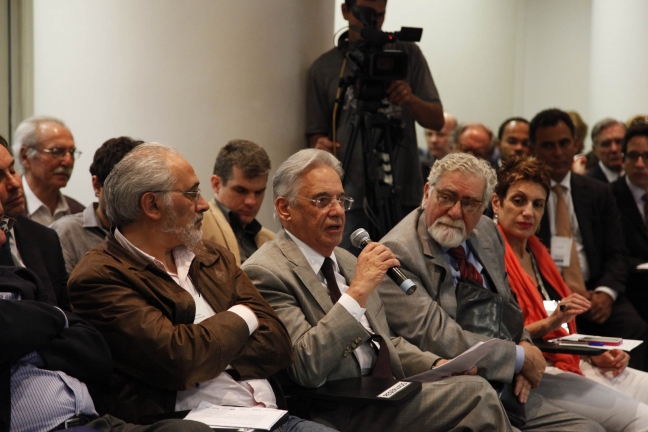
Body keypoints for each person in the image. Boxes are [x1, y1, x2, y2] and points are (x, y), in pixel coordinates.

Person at [242, 149, 514, 432]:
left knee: (473, 387)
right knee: (478, 397)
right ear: (285, 208)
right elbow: (306, 366)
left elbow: (385, 343)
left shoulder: (346, 260)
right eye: (322, 200)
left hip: (383, 392)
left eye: (340, 200)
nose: (337, 211)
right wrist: (358, 291)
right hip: (335, 408)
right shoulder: (266, 272)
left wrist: (438, 364)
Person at [67, 144, 332, 432]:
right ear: (152, 205)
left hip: (271, 416)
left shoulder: (211, 256)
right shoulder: (100, 276)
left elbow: (279, 343)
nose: (204, 204)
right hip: (190, 425)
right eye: (192, 193)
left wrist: (205, 353)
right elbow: (180, 360)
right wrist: (245, 314)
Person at [377, 152, 602, 431]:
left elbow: (508, 306)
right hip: (453, 390)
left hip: (506, 385)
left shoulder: (486, 231)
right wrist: (518, 359)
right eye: (446, 197)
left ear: (484, 206)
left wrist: (526, 346)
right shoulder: (397, 253)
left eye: (470, 203)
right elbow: (436, 336)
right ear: (427, 192)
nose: (455, 212)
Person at [0, 203, 213, 432]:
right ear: (150, 205)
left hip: (95, 421)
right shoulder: (101, 268)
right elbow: (178, 354)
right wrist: (52, 325)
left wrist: (26, 345)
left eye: (2, 223)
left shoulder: (19, 278)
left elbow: (94, 350)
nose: (4, 238)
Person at [492, 155, 648, 431]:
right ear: (496, 203)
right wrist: (552, 323)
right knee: (641, 418)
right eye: (519, 201)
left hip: (568, 359)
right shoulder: (489, 257)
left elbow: (562, 325)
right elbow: (501, 335)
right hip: (536, 369)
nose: (528, 212)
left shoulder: (538, 252)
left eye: (537, 204)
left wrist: (593, 353)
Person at [306, 0, 443, 251]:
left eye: (379, 15)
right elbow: (316, 134)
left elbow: (436, 120)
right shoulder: (325, 68)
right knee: (349, 267)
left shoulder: (407, 53)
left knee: (405, 265)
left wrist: (410, 99)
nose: (373, 23)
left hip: (403, 189)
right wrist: (320, 145)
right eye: (365, 15)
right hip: (350, 195)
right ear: (345, 11)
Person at [529, 108, 648, 371]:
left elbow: (617, 253)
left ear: (576, 144)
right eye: (548, 145)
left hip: (594, 290)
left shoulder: (597, 192)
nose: (558, 152)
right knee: (557, 339)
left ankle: (632, 390)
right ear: (533, 148)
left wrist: (606, 293)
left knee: (635, 327)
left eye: (564, 143)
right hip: (547, 296)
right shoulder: (526, 197)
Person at [51, 136, 143, 274]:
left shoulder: (149, 231)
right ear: (97, 186)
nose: (131, 198)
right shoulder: (67, 232)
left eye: (139, 189)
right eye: (121, 189)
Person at [0, 135, 69, 310]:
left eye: (12, 170)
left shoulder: (46, 238)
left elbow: (66, 311)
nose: (15, 183)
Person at [202, 140, 274, 266]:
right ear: (216, 184)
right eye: (241, 191)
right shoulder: (195, 228)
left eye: (258, 192)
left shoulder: (272, 242)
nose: (251, 202)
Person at [13, 116, 84, 225]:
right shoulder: (7, 209)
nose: (68, 161)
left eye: (72, 152)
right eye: (57, 151)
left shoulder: (80, 214)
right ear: (25, 156)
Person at [587, 118, 626, 183]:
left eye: (619, 142)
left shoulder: (639, 178)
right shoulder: (587, 184)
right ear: (595, 150)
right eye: (606, 144)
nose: (614, 149)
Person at [420, 112, 457, 178]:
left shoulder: (463, 165)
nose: (433, 140)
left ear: (454, 137)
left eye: (440, 134)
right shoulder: (418, 166)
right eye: (429, 134)